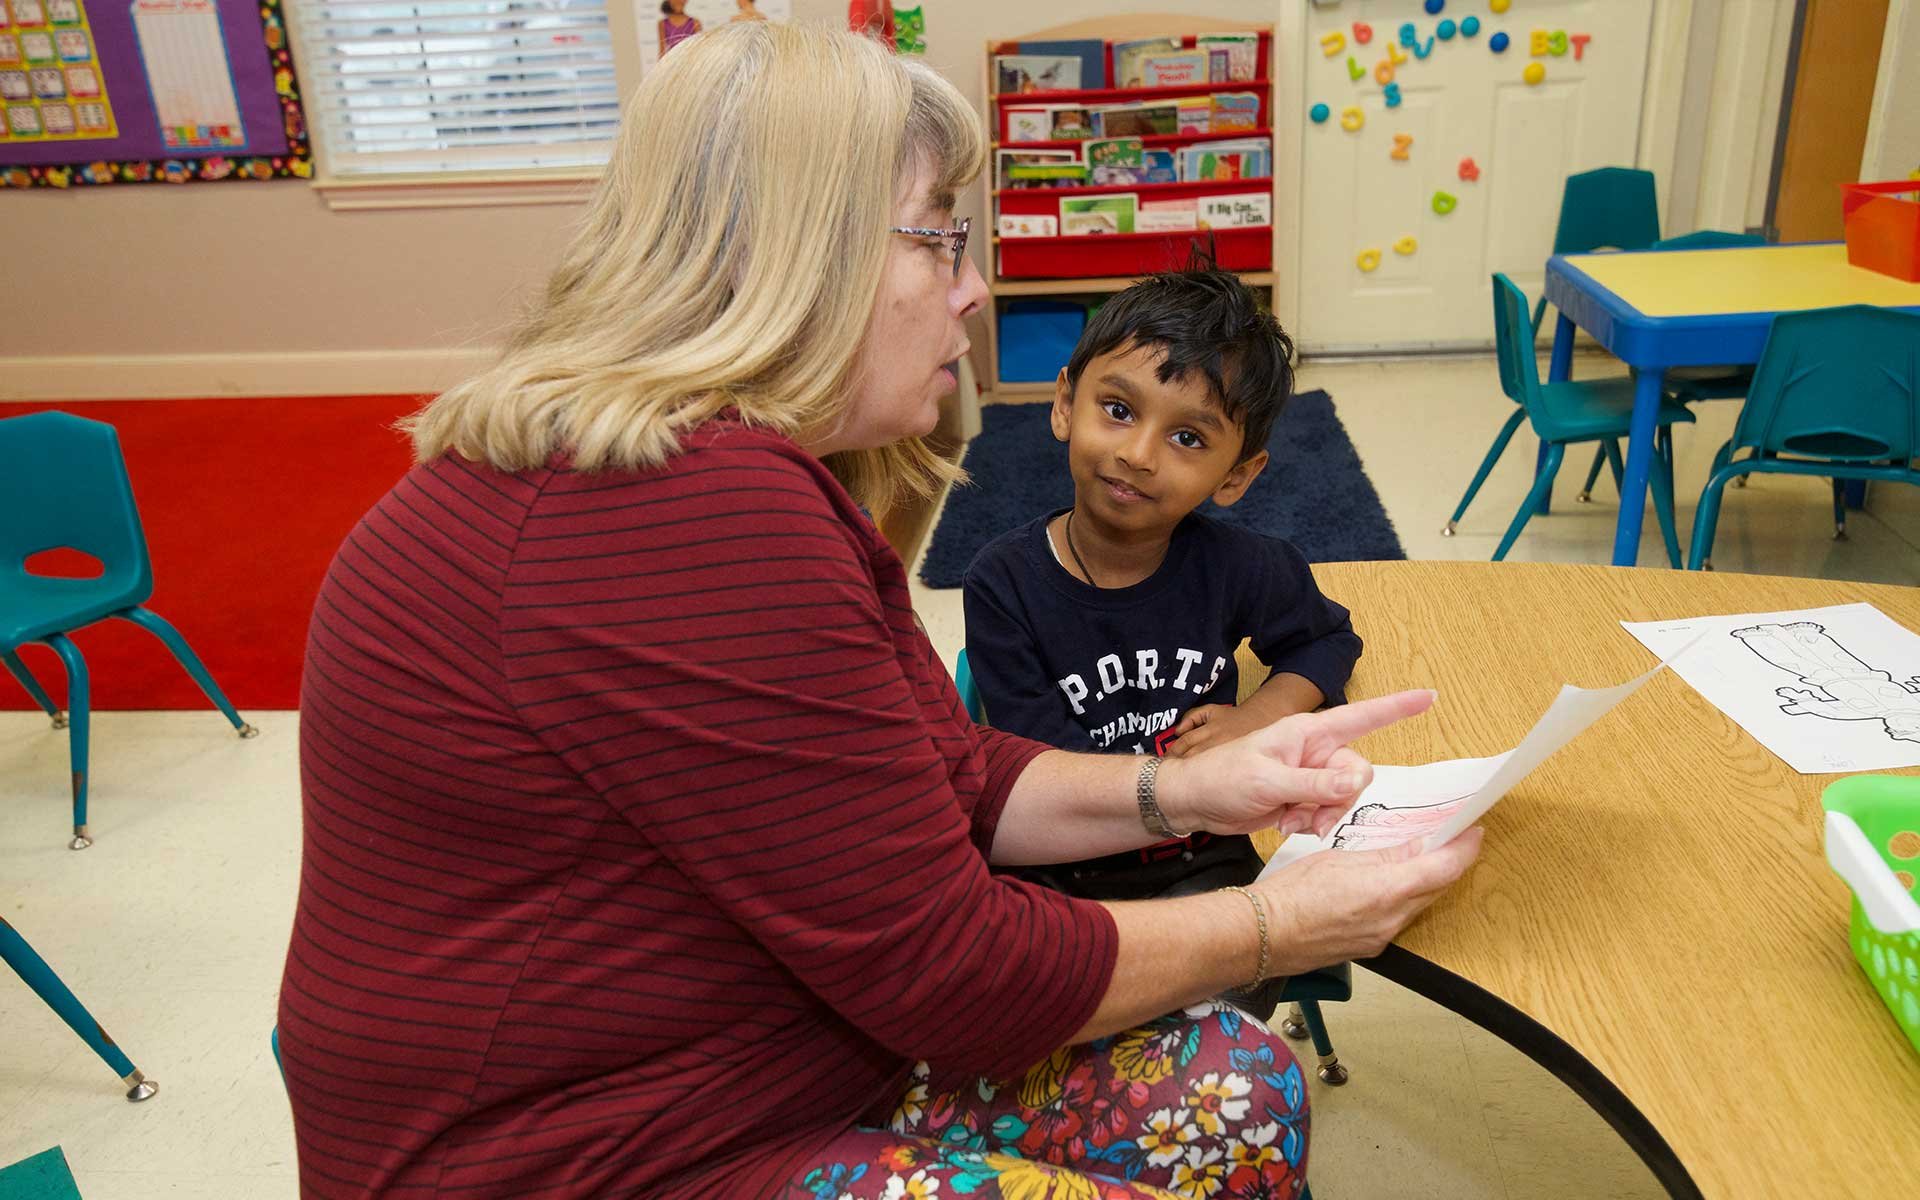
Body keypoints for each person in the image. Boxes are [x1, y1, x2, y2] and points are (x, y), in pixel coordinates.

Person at [277, 21, 1481, 1200]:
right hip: (588, 1153)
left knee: (1244, 1087)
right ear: (814, 250)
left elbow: (944, 769)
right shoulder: (696, 509)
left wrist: (1188, 789)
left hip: (725, 1061)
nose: (970, 290)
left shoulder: (713, 468)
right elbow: (958, 975)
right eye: (939, 241)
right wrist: (1277, 923)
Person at [962, 271, 1362, 927]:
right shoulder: (1002, 584)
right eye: (1118, 410)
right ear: (1065, 402)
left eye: (1188, 438)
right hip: (1061, 869)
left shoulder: (1241, 566)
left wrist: (1259, 715)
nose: (1140, 455)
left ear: (1236, 475)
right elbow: (1034, 775)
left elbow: (1326, 638)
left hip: (1206, 857)